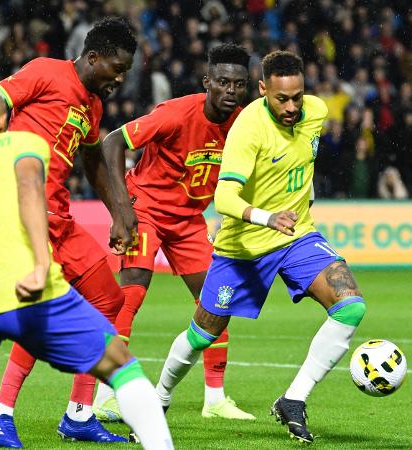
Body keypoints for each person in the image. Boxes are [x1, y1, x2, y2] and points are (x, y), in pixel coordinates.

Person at [154, 50, 366, 443]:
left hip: (297, 236)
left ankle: (293, 399)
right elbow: (225, 198)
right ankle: (159, 398)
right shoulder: (247, 129)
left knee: (350, 305)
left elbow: (304, 160)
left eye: (297, 97)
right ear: (263, 89)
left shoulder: (316, 113)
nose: (291, 107)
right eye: (281, 98)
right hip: (244, 248)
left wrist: (305, 201)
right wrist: (267, 217)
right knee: (203, 334)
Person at [0, 82, 174, 450]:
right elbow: (30, 185)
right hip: (26, 279)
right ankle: (2, 410)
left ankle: (77, 413)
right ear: (1, 119)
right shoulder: (22, 142)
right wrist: (42, 263)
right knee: (123, 367)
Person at [0, 17, 138, 447]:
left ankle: (79, 413)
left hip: (61, 220)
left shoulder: (92, 106)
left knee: (109, 297)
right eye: (116, 69)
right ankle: (0, 412)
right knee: (42, 309)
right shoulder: (45, 72)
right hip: (22, 213)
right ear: (93, 58)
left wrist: (119, 213)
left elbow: (92, 163)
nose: (120, 80)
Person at [99, 43, 255, 422]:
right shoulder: (175, 113)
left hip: (188, 220)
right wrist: (122, 210)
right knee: (132, 291)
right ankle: (106, 394)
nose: (230, 91)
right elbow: (113, 141)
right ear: (207, 83)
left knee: (216, 300)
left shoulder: (244, 124)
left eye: (238, 84)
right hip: (147, 208)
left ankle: (215, 399)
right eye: (222, 82)